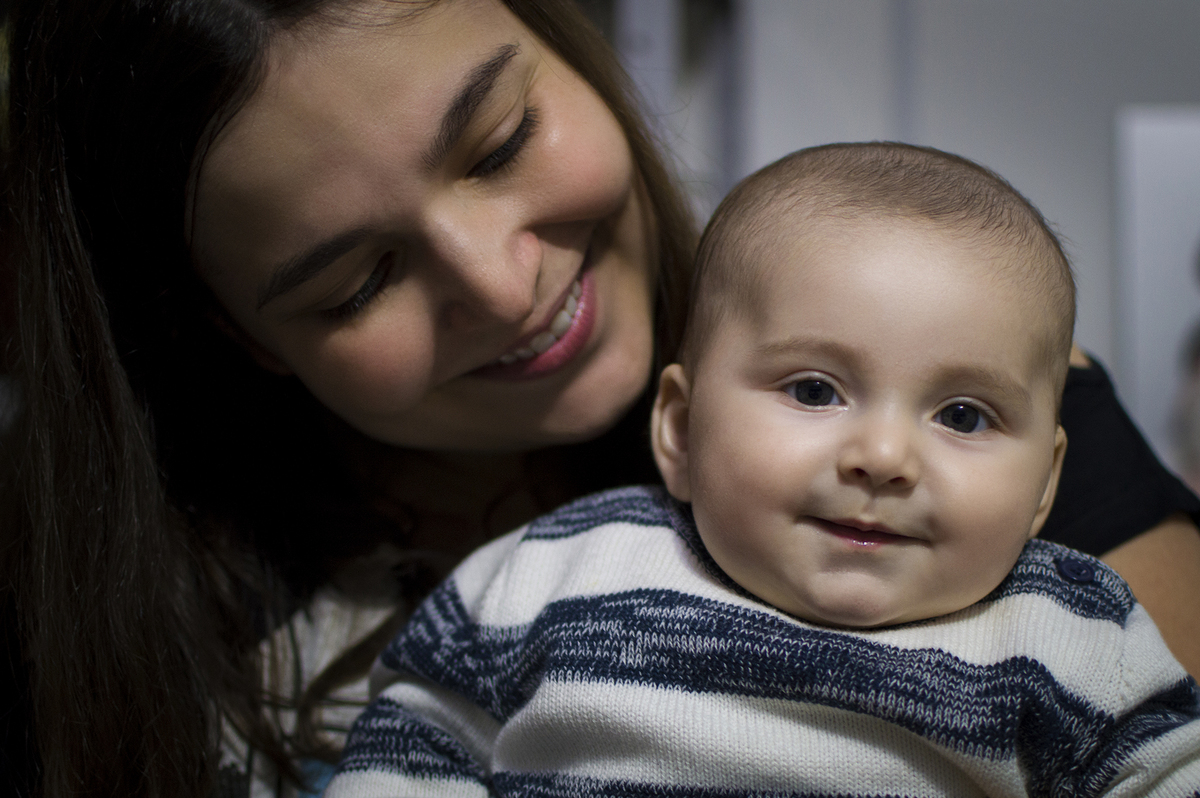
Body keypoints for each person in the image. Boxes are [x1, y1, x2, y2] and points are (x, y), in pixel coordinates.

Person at [1, 2, 1198, 796]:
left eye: (500, 138)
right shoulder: (129, 615)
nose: (502, 282)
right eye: (359, 279)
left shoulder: (1018, 514)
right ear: (237, 333)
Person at [329, 143, 1200, 797]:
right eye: (815, 389)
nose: (884, 459)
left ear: (1046, 483)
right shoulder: (560, 568)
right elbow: (421, 732)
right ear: (678, 426)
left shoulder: (1073, 633)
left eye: (963, 416)